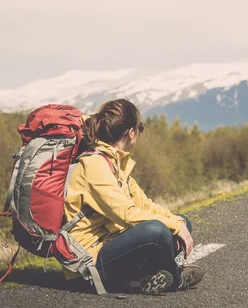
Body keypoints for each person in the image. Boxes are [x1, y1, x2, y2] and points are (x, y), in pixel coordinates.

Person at [64, 98, 205, 295]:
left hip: (112, 246)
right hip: (90, 264)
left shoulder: (116, 164)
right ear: (131, 132)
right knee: (156, 231)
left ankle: (143, 278)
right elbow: (126, 214)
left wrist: (177, 222)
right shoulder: (94, 165)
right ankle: (175, 279)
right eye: (140, 127)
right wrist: (171, 225)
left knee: (182, 223)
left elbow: (145, 204)